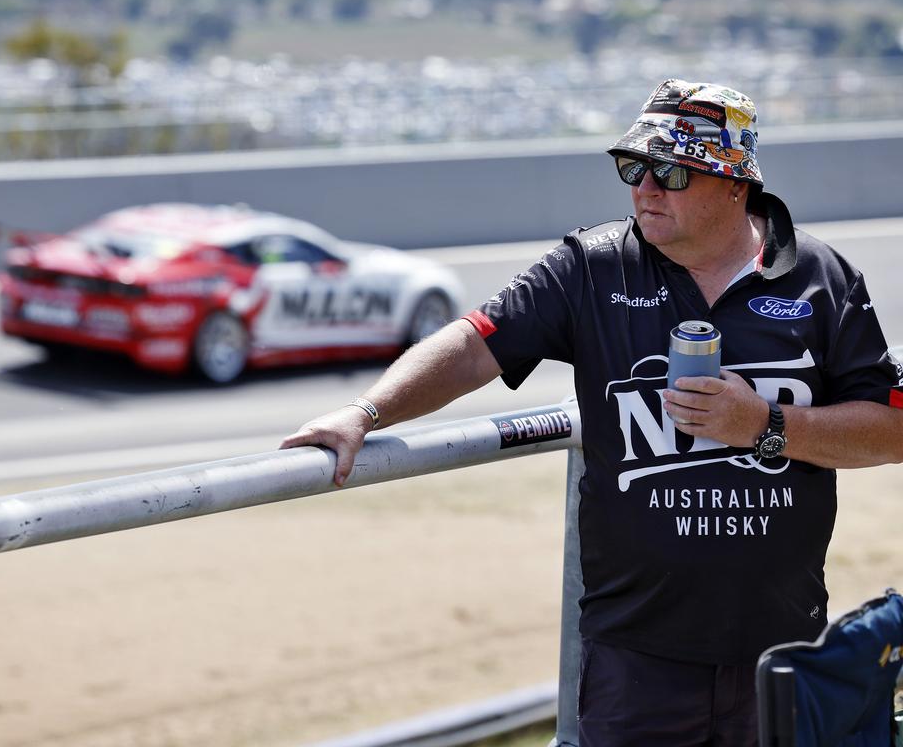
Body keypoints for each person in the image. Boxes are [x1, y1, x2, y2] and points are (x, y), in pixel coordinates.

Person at [280, 79, 903, 746]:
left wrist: (764, 425)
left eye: (671, 170)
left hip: (780, 648)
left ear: (734, 182)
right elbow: (473, 345)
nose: (645, 189)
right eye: (632, 167)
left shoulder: (822, 279)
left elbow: (891, 431)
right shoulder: (592, 267)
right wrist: (366, 411)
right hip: (635, 657)